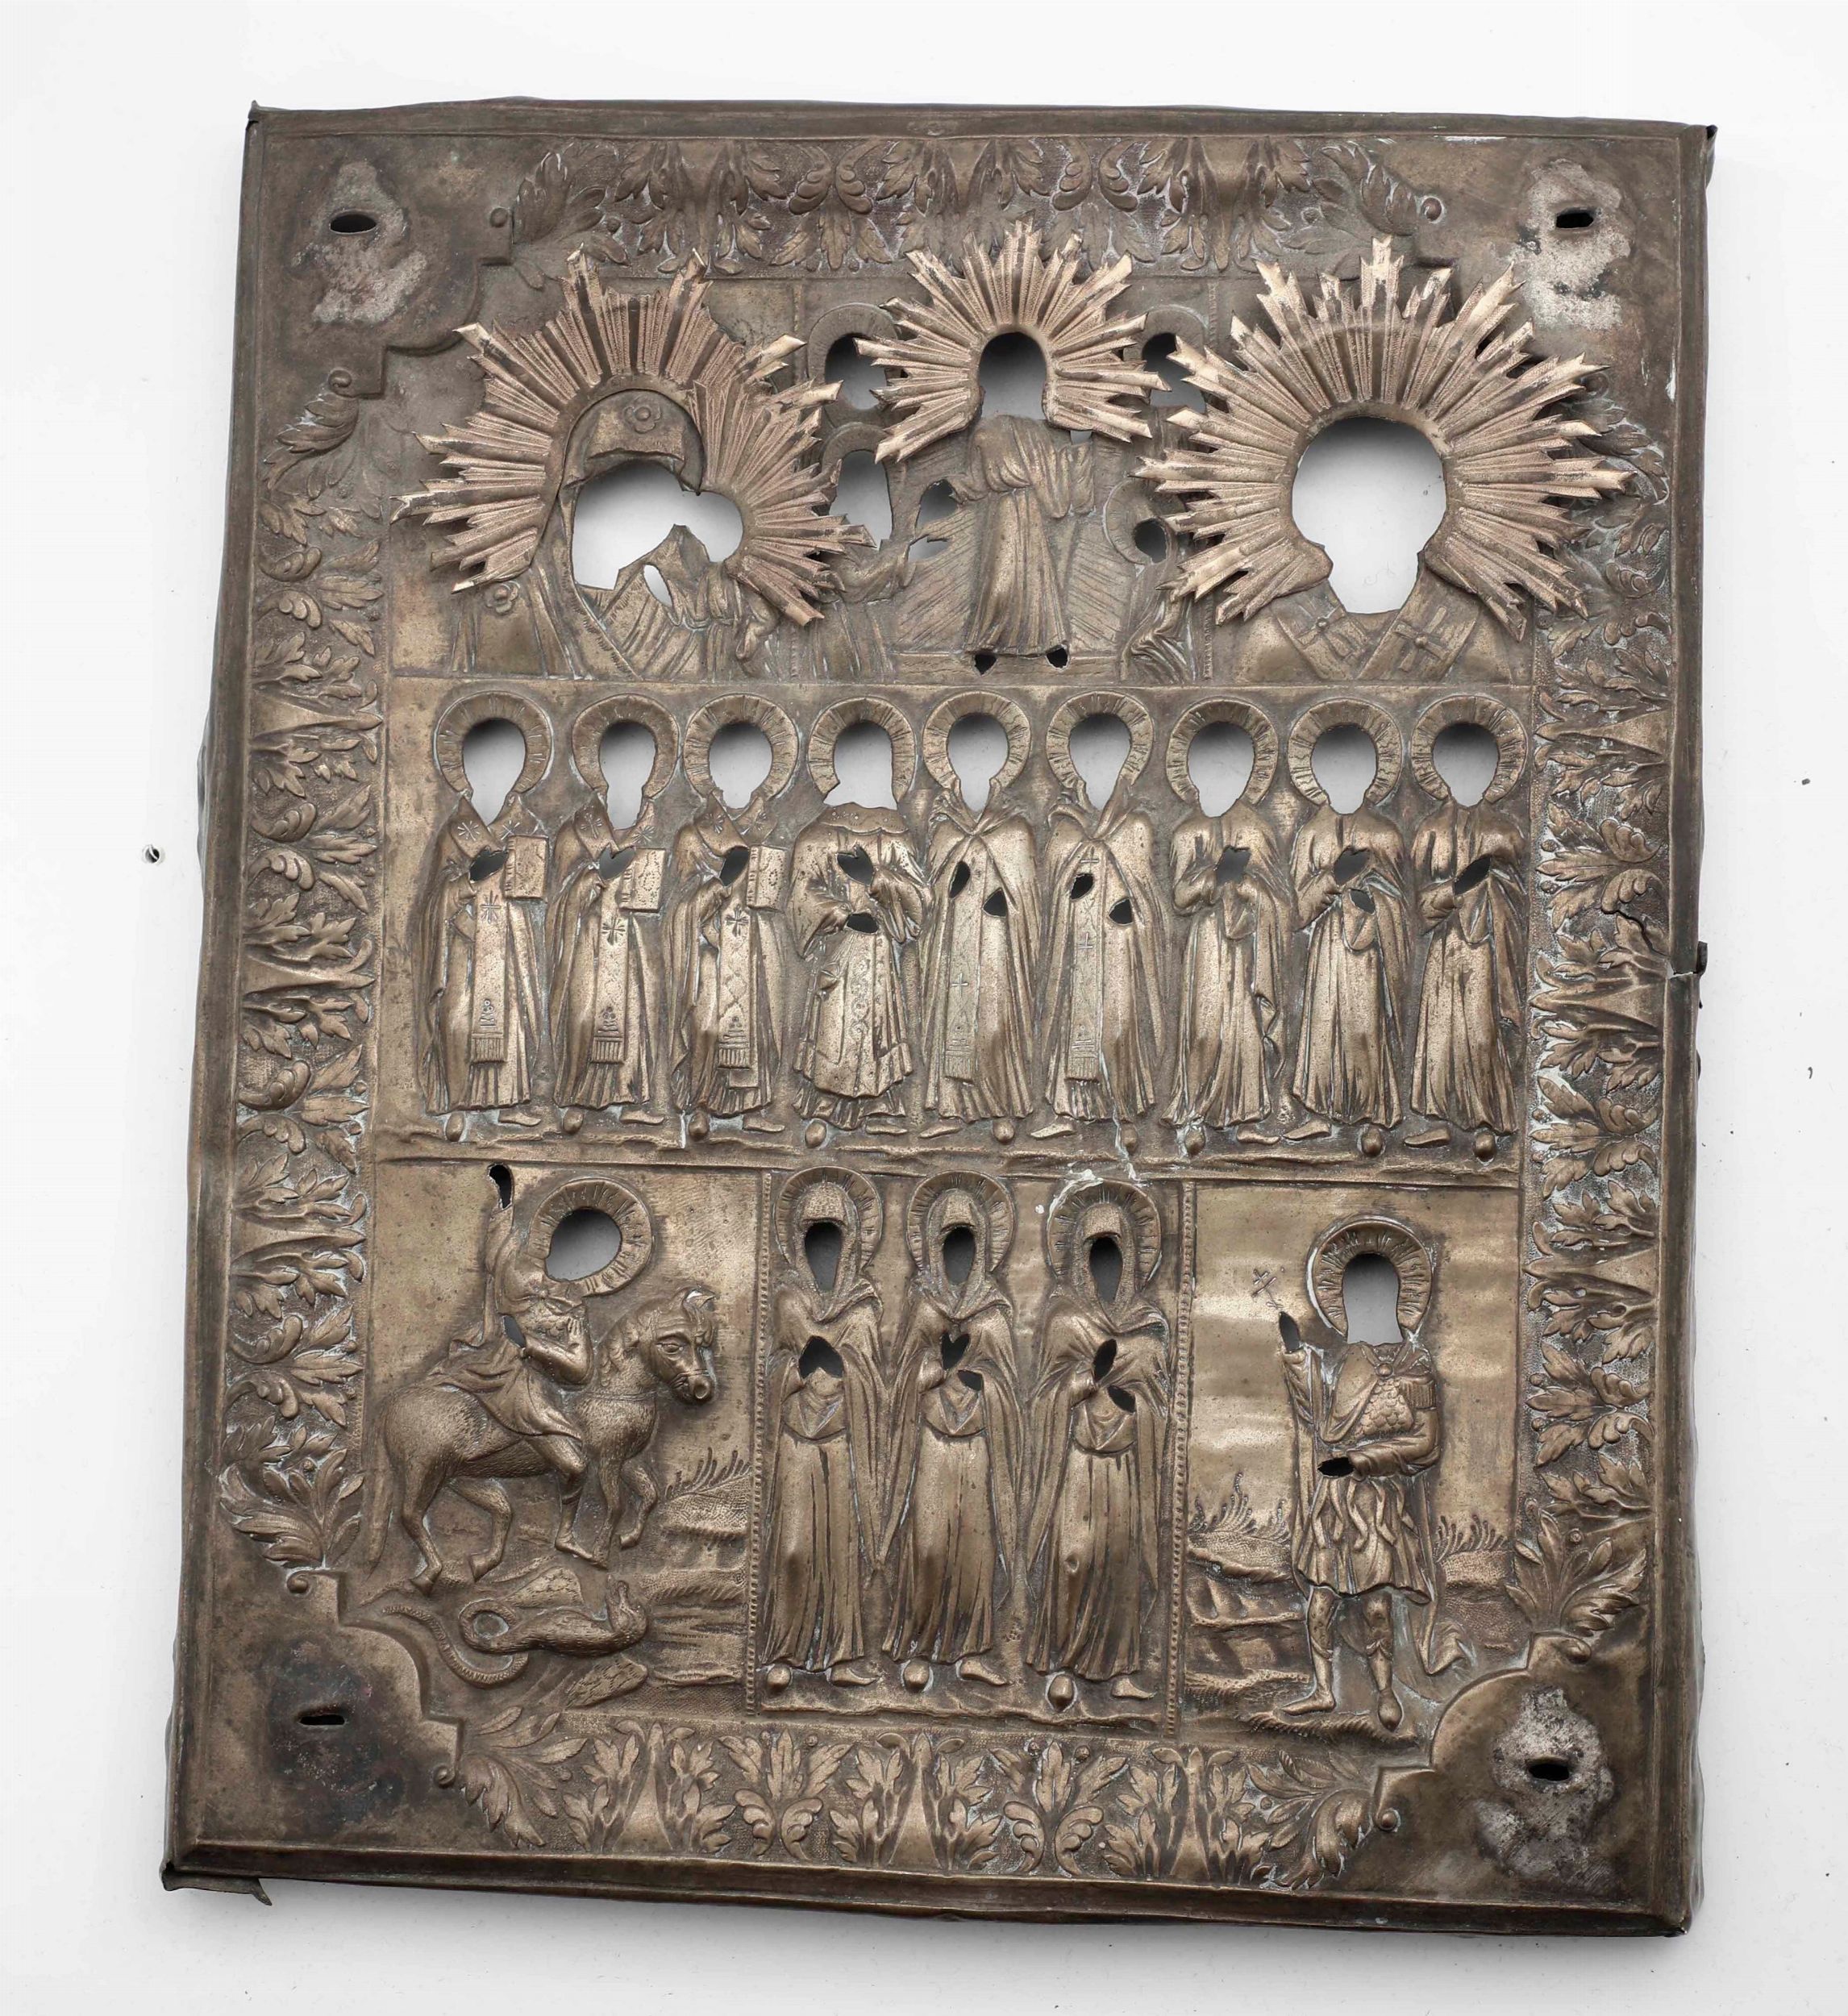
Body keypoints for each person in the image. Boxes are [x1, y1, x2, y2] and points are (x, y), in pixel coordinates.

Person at [1278, 1289, 1449, 1731]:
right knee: (1320, 1602)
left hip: (1379, 1503)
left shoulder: (1416, 1364)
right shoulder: (1348, 1359)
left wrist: (1363, 1460)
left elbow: (1427, 1443)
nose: (1358, 1307)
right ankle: (1323, 1690)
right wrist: (1297, 1355)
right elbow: (1320, 1415)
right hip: (1335, 1502)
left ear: (1397, 1298)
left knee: (1376, 1605)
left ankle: (1385, 1692)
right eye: (1350, 1299)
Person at [1025, 1189, 1170, 1705]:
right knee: (1074, 1556)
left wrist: (1139, 1407)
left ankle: (1120, 1667)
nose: (1104, 1262)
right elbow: (1042, 1398)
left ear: (1131, 1258)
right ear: (1079, 1259)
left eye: (1114, 1250)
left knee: (1120, 1562)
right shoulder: (1065, 1321)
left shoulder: (1149, 1326)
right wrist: (1078, 1386)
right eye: (1094, 1250)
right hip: (1077, 1461)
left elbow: (1162, 1404)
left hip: (1126, 1463)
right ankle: (1064, 1660)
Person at [881, 1180, 1021, 1688]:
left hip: (979, 1441)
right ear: (934, 1244)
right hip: (931, 1440)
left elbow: (1011, 1388)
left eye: (968, 1238)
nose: (959, 1248)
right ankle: (920, 1646)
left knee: (974, 1550)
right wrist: (933, 1372)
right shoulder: (923, 1304)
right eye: (950, 1238)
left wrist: (984, 1385)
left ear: (983, 1244)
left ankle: (971, 1651)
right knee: (929, 1544)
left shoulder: (994, 1310)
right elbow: (899, 1380)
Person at [761, 1177, 885, 1689]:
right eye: (813, 1234)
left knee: (839, 1555)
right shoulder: (787, 1296)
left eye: (832, 1234)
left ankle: (841, 1656)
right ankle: (783, 1652)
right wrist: (795, 1374)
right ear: (798, 1240)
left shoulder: (863, 1302)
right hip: (796, 1441)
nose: (822, 1246)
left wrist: (843, 1372)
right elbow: (772, 1369)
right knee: (792, 1549)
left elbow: (873, 1379)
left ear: (851, 1240)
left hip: (840, 1443)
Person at [414, 764, 547, 1136]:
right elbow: (434, 898)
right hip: (463, 945)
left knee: (510, 1020)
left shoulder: (528, 827)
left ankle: (507, 1104)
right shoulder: (455, 832)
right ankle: (458, 1104)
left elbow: (534, 898)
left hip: (506, 945)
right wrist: (469, 882)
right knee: (457, 1020)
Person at [918, 742, 1041, 1140]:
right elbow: (931, 894)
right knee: (951, 1024)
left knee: (994, 1022)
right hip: (954, 936)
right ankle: (951, 1109)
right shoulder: (944, 828)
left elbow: (1027, 899)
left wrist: (1000, 902)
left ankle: (1002, 1106)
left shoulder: (1015, 829)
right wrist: (955, 881)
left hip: (997, 939)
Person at [789, 794, 928, 1136]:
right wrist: (841, 914)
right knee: (833, 1026)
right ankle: (824, 1106)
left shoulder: (895, 834)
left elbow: (921, 901)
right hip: (838, 950)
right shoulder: (819, 834)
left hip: (880, 952)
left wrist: (877, 879)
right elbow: (801, 895)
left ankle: (879, 1104)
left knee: (877, 1025)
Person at [1166, 773, 1289, 1148]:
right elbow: (1179, 898)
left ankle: (1246, 1117)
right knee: (1205, 1029)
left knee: (1245, 1028)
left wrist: (1251, 889)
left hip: (1248, 945)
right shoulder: (1187, 832)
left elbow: (1282, 903)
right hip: (1207, 943)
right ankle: (1195, 1113)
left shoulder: (1258, 830)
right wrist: (1213, 879)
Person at [1288, 786, 1411, 1155]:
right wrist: (1332, 878)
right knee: (1324, 1023)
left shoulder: (1385, 834)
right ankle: (1319, 1111)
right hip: (1327, 944)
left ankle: (1373, 1113)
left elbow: (1402, 906)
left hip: (1368, 948)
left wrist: (1368, 899)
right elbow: (1296, 911)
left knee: (1363, 1026)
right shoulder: (1311, 834)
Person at [1407, 776, 1524, 1157]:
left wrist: (1486, 889)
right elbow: (1414, 900)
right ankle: (1440, 1121)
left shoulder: (1505, 831)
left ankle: (1487, 1122)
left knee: (1480, 1031)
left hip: (1486, 946)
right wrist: (1452, 892)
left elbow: (1521, 898)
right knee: (1441, 1031)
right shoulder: (1430, 830)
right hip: (1444, 943)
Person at [547, 771, 665, 1132]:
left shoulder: (654, 830)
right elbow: (557, 899)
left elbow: (666, 900)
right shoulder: (576, 831)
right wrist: (587, 883)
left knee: (633, 1018)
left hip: (631, 944)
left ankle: (629, 1098)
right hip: (589, 940)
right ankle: (578, 1096)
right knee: (584, 1015)